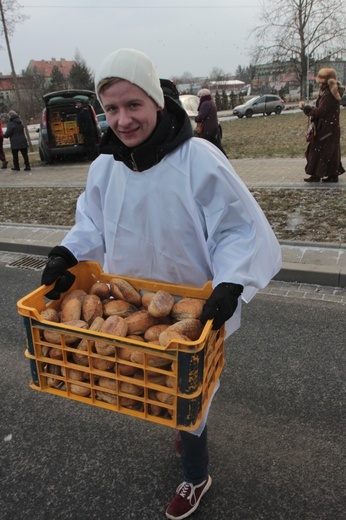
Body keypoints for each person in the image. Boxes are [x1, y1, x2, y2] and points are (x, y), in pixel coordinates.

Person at [40, 48, 282, 520]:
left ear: (155, 101)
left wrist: (230, 283)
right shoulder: (106, 166)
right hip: (134, 313)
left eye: (134, 106)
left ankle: (196, 477)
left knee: (192, 395)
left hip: (192, 304)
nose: (124, 120)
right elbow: (91, 222)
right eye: (112, 109)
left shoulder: (198, 159)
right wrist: (66, 252)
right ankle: (181, 425)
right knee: (155, 380)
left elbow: (237, 227)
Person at [299, 68, 345, 183]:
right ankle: (330, 175)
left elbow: (320, 112)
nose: (319, 85)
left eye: (321, 83)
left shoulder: (329, 95)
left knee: (318, 151)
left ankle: (318, 175)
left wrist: (307, 109)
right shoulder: (327, 93)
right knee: (328, 152)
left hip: (327, 129)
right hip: (328, 128)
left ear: (327, 83)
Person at [194, 88, 227, 156]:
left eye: (200, 96)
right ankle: (222, 154)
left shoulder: (205, 104)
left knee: (206, 142)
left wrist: (196, 118)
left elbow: (202, 116)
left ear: (202, 96)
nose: (199, 98)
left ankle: (218, 155)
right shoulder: (211, 102)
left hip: (207, 127)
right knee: (213, 142)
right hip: (213, 126)